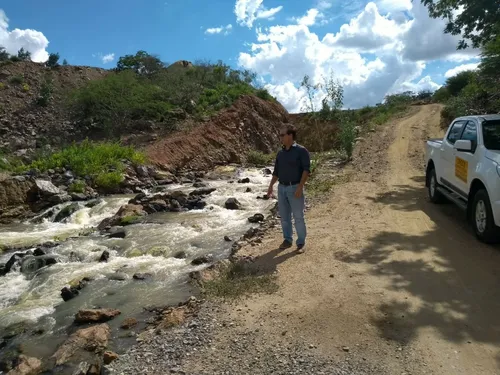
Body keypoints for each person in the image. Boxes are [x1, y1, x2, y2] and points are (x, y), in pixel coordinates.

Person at [267, 125, 310, 253]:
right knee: (284, 217)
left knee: (298, 217)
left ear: (290, 136)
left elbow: (306, 170)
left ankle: (301, 242)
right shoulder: (280, 153)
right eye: (280, 135)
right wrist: (270, 187)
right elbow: (276, 172)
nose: (280, 137)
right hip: (282, 188)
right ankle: (287, 239)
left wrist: (300, 187)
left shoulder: (301, 151)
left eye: (282, 135)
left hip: (295, 187)